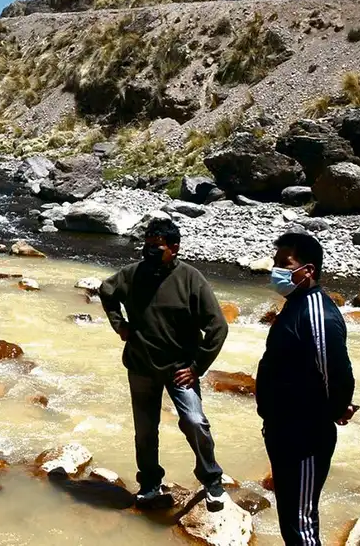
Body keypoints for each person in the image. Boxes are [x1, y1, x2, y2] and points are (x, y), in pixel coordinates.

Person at [99, 218, 230, 512]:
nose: (149, 252)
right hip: (140, 365)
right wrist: (119, 325)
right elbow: (106, 292)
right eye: (146, 246)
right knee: (145, 430)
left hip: (180, 368)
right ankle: (149, 484)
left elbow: (218, 327)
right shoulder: (133, 274)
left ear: (174, 247)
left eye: (156, 248)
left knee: (195, 422)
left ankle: (212, 480)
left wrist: (197, 366)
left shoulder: (191, 279)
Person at [257, 232, 356, 546]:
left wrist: (338, 408)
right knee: (290, 518)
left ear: (308, 270)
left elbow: (337, 373)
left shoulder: (317, 313)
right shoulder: (296, 305)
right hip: (283, 429)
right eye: (276, 263)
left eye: (285, 264)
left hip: (305, 437)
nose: (277, 270)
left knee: (301, 525)